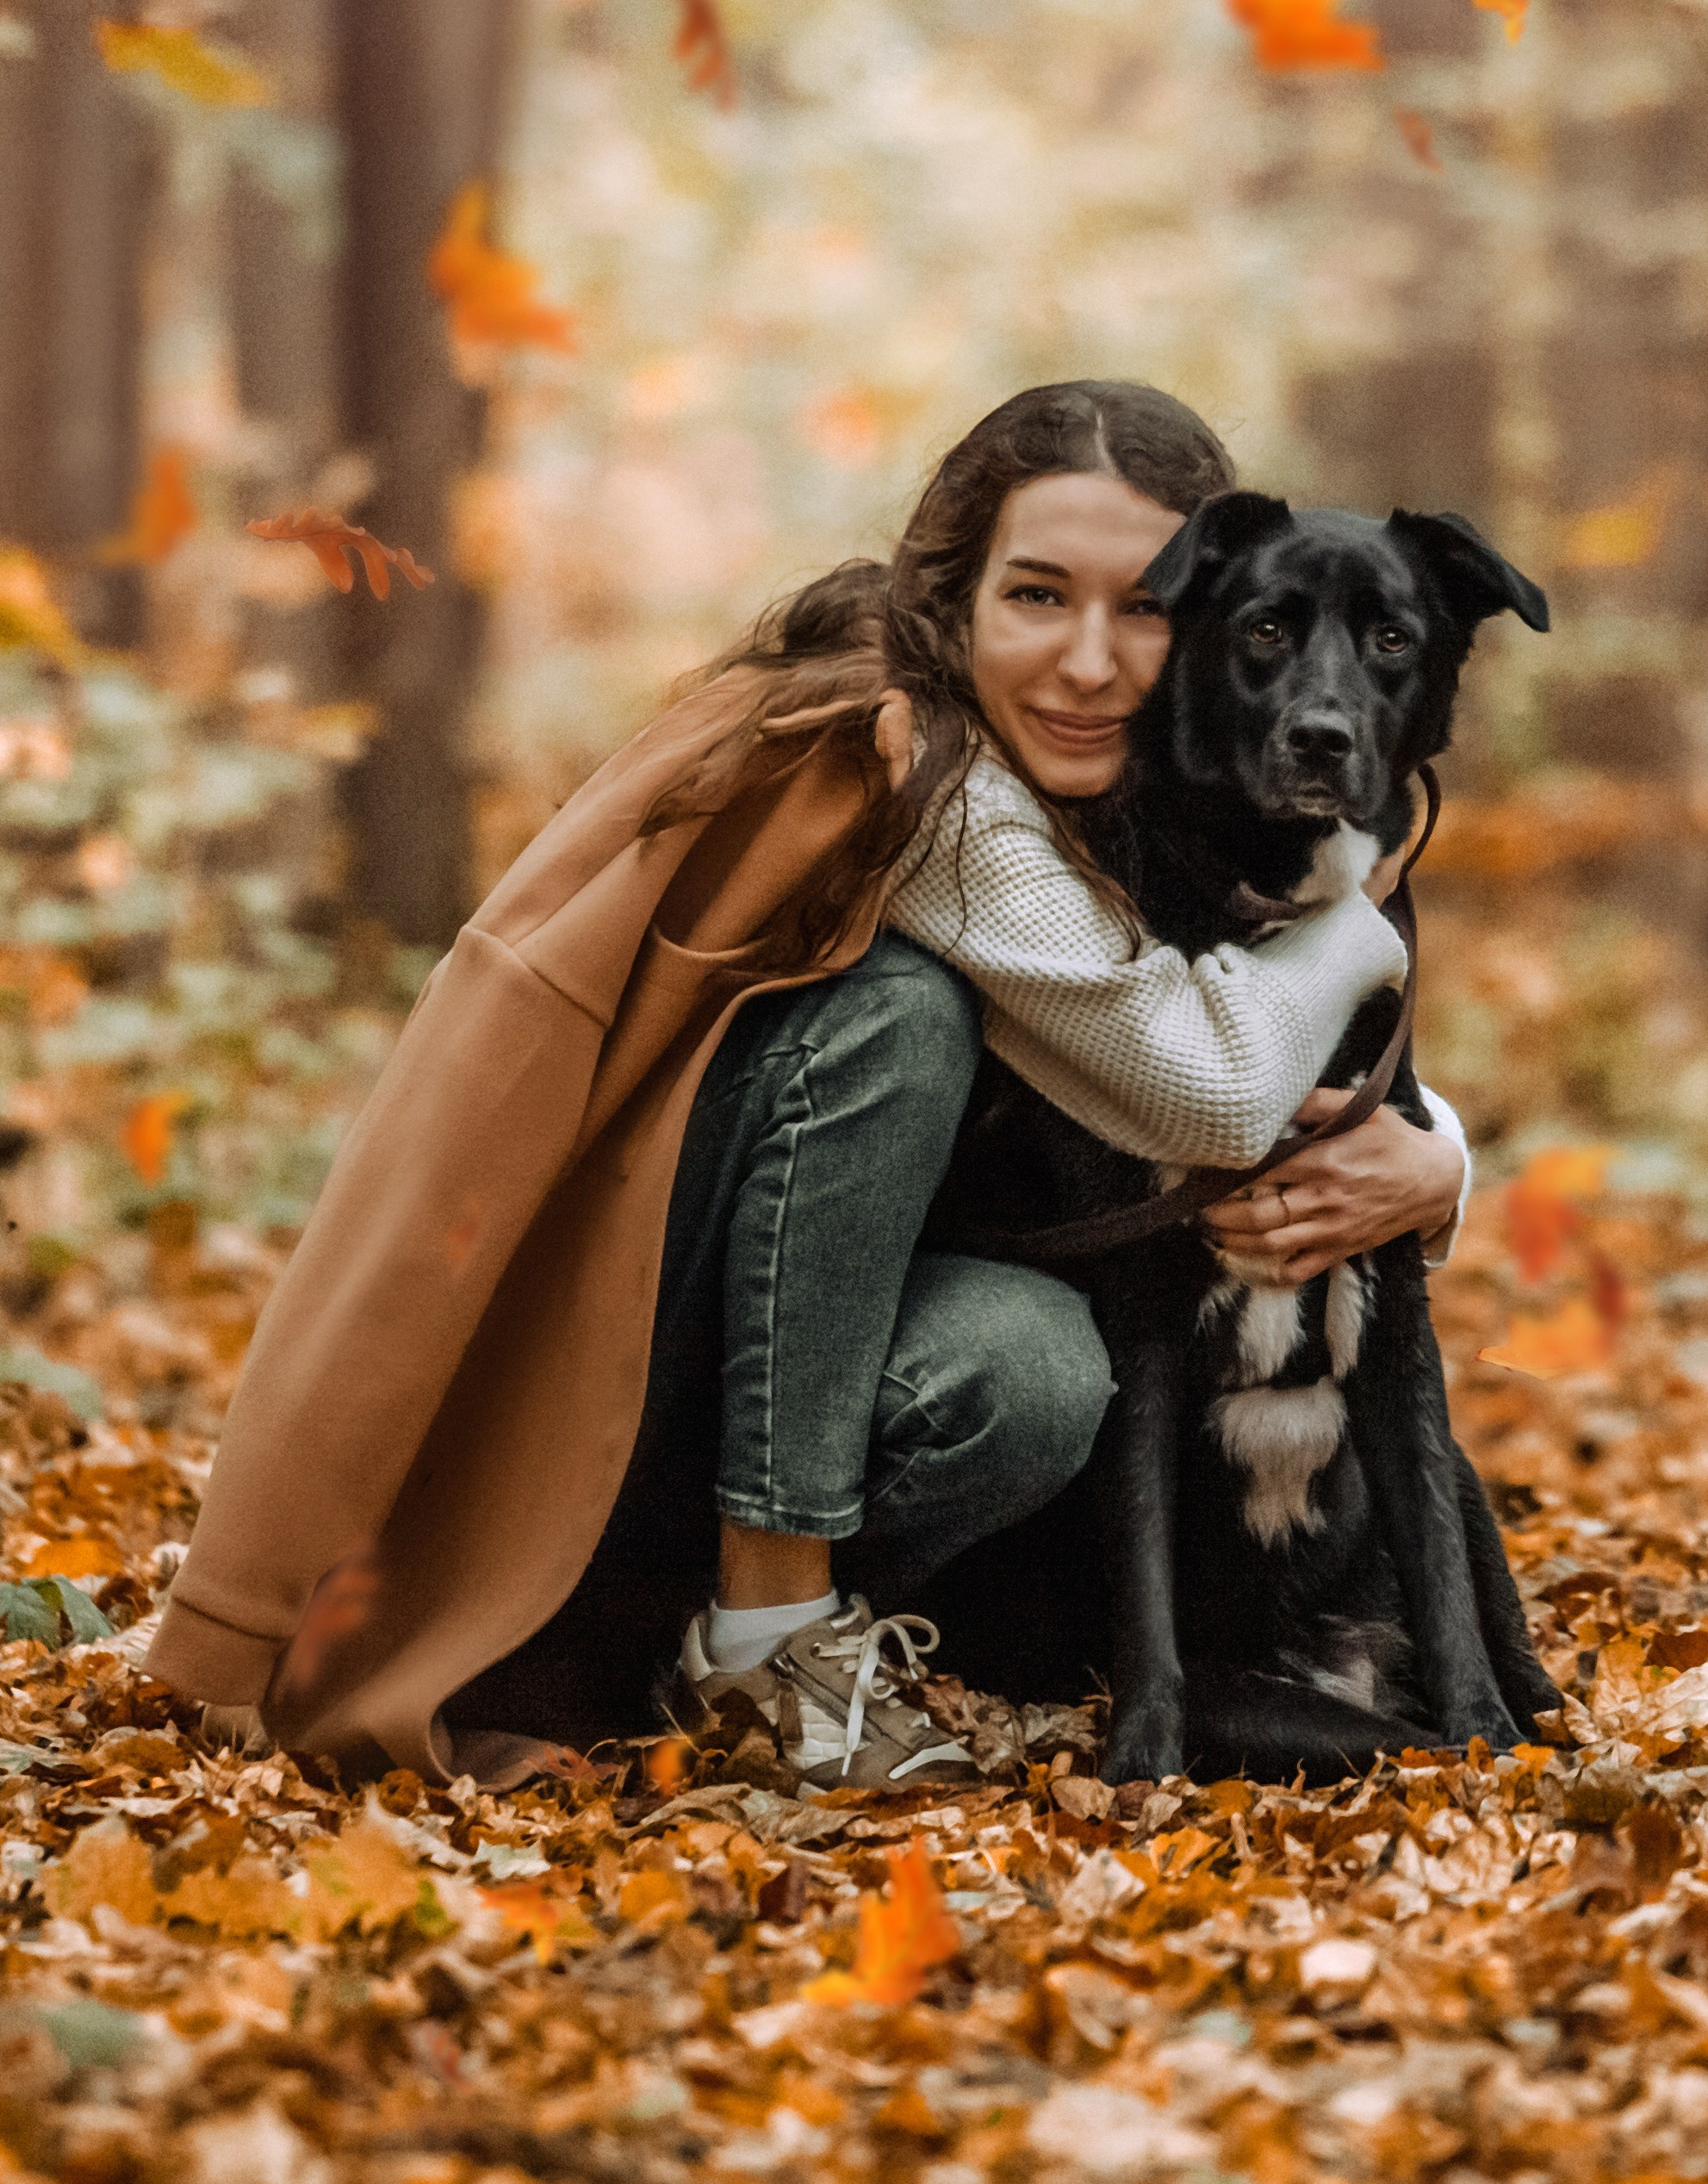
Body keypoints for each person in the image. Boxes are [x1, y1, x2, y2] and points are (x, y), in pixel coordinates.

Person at [145, 381, 1469, 1792]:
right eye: (1034, 597)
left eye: (1140, 609)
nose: (1089, 661)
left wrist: (1438, 1161)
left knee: (1025, 1371)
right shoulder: (917, 771)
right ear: (951, 602)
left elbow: (1166, 1059)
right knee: (899, 1022)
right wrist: (1355, 921)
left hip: (794, 1357)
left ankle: (706, 1636)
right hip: (626, 1379)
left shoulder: (1117, 786)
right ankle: (764, 1629)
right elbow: (1200, 1090)